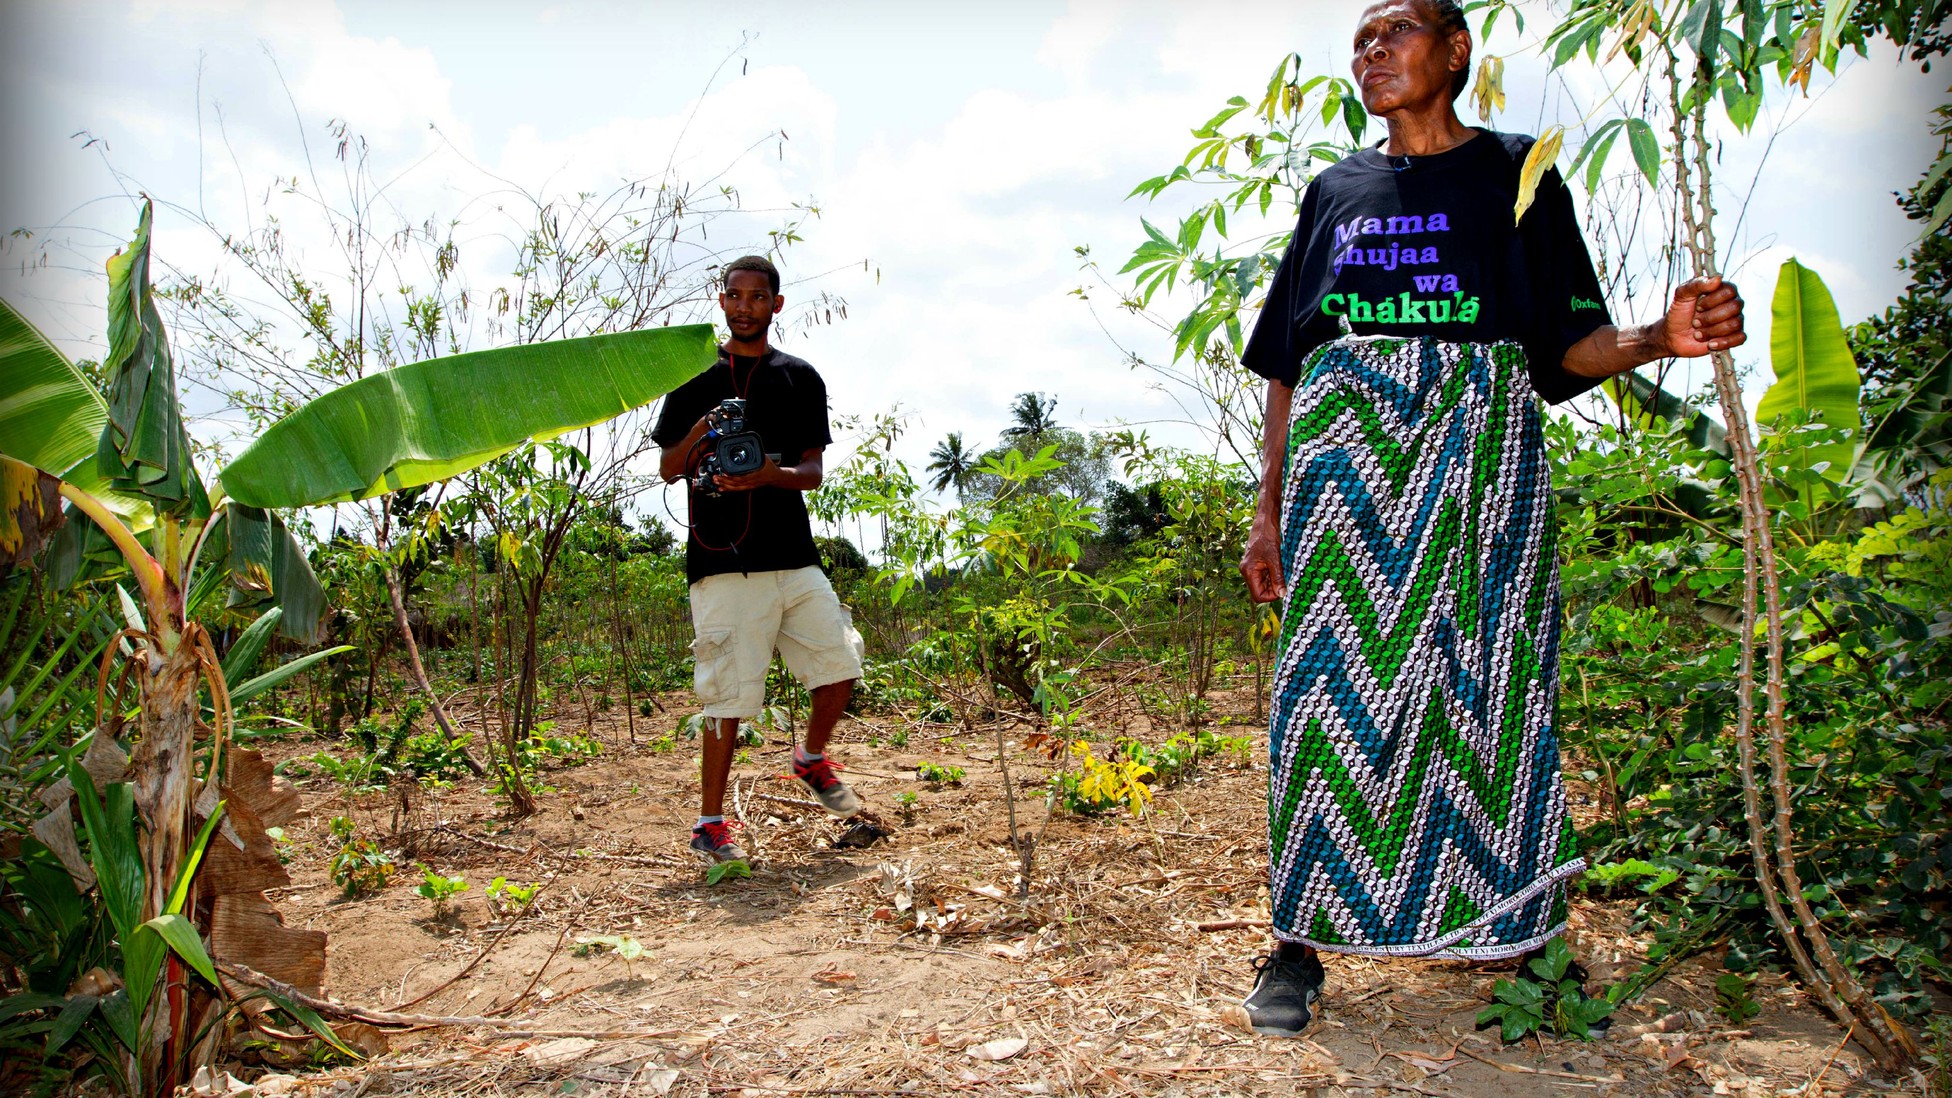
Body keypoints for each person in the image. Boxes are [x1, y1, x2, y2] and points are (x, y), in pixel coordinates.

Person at [1231, 0, 1746, 1036]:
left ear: (1456, 49)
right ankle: (1297, 942)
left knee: (1495, 683)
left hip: (1479, 467)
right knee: (1324, 695)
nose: (1372, 53)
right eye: (1360, 43)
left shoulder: (1518, 173)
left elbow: (1566, 345)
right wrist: (1268, 508)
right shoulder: (1335, 190)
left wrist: (1659, 337)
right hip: (1345, 470)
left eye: (1394, 33)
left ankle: (1525, 937)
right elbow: (1289, 361)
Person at [653, 255, 866, 864]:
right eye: (735, 296)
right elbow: (668, 467)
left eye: (757, 296)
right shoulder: (692, 377)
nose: (744, 307)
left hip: (793, 554)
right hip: (720, 561)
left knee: (841, 662)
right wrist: (705, 427)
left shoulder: (799, 377)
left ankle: (810, 757)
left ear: (776, 304)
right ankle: (710, 824)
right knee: (727, 698)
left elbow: (813, 471)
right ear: (722, 301)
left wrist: (771, 474)